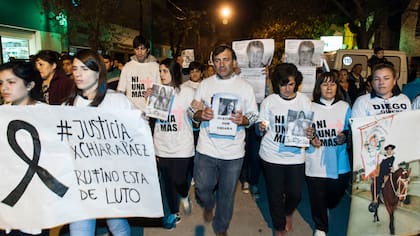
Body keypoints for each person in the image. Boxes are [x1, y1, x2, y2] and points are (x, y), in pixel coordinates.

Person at [65, 49, 136, 236]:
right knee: (79, 231)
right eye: (75, 68)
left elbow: (137, 136)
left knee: (117, 225)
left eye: (84, 69)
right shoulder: (69, 106)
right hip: (82, 183)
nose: (78, 74)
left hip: (111, 180)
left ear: (98, 72)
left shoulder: (118, 102)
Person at [189, 45, 258, 236]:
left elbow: (253, 116)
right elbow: (191, 111)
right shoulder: (205, 85)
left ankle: (221, 228)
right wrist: (201, 114)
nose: (221, 64)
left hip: (233, 153)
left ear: (234, 62)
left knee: (227, 195)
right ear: (213, 63)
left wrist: (243, 120)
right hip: (206, 149)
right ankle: (208, 203)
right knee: (203, 189)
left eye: (226, 59)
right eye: (217, 60)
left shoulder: (245, 88)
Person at [258, 63, 313, 236]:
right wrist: (261, 127)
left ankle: (288, 211)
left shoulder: (304, 101)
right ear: (277, 84)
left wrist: (310, 132)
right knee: (275, 194)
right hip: (271, 154)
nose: (287, 89)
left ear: (296, 83)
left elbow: (308, 127)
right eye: (283, 84)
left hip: (296, 156)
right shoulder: (269, 102)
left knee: (295, 194)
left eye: (290, 84)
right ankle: (279, 227)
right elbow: (264, 124)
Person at [145, 58, 195, 230]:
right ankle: (173, 213)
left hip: (182, 146)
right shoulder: (158, 92)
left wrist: (198, 110)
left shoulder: (187, 92)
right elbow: (151, 118)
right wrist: (149, 102)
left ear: (174, 72)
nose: (161, 75)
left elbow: (194, 115)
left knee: (179, 179)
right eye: (160, 71)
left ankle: (184, 194)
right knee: (167, 181)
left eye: (165, 71)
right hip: (162, 145)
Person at [352, 63, 411, 208]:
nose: (381, 82)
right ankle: (374, 200)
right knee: (377, 179)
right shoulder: (362, 102)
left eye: (386, 78)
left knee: (403, 176)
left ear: (394, 80)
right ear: (371, 81)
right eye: (377, 79)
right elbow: (357, 132)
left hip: (399, 152)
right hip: (376, 154)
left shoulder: (404, 100)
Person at [0, 61, 46, 235]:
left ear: (29, 85)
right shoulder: (1, 114)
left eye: (11, 82)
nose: (4, 87)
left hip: (35, 202)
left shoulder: (48, 115)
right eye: (1, 83)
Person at [305, 72, 352, 236]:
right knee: (317, 197)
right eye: (325, 84)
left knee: (334, 195)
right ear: (318, 88)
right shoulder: (310, 107)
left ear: (337, 86)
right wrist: (311, 138)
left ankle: (326, 206)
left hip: (339, 162)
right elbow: (302, 132)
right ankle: (320, 227)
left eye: (332, 83)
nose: (329, 87)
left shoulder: (345, 107)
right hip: (315, 161)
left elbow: (351, 129)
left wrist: (345, 135)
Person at [117, 35, 160, 112]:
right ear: (134, 50)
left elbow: (161, 91)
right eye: (137, 49)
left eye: (142, 49)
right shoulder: (127, 66)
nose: (140, 52)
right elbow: (121, 91)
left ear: (148, 50)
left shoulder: (156, 67)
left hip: (150, 113)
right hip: (131, 113)